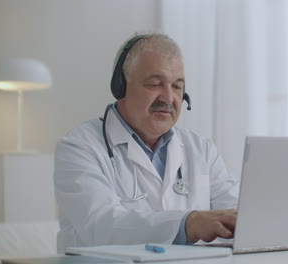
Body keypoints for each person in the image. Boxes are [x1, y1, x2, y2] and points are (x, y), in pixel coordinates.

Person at [53, 33, 239, 252]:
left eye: (177, 87)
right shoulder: (79, 147)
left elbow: (235, 215)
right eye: (154, 84)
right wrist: (188, 224)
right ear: (120, 86)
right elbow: (101, 226)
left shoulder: (201, 149)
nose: (168, 98)